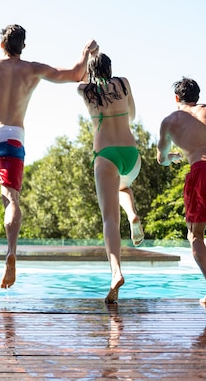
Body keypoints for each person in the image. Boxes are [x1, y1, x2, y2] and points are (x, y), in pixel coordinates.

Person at [0, 24, 98, 289]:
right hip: (14, 135)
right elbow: (75, 74)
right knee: (11, 198)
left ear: (2, 44)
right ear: (23, 46)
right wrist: (86, 52)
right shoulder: (32, 69)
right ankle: (11, 250)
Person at [77, 52, 144, 304]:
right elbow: (133, 115)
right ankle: (132, 215)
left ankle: (116, 272)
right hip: (131, 153)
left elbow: (78, 76)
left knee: (109, 221)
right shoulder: (124, 83)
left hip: (105, 154)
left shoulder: (85, 90)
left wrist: (86, 56)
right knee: (123, 186)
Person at [157, 77, 206, 305]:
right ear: (197, 96)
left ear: (177, 98)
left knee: (195, 236)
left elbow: (161, 159)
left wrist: (172, 158)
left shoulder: (170, 121)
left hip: (199, 173)